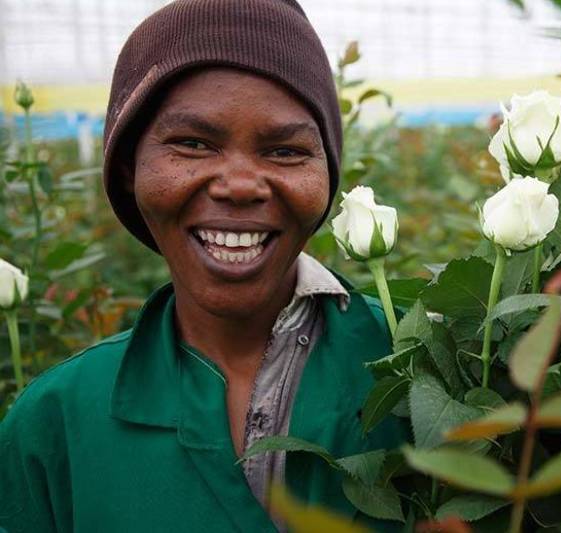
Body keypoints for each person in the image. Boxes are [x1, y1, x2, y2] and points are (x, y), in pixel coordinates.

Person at [0, 1, 406, 531]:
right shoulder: (55, 421)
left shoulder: (423, 372)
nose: (239, 185)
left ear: (327, 173)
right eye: (192, 144)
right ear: (128, 168)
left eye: (285, 151)